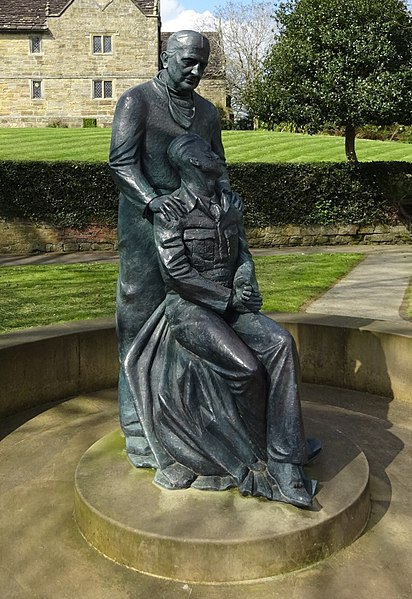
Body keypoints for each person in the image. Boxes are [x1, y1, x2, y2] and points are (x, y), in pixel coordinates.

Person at [124, 133, 318, 508]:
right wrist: (227, 297)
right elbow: (176, 274)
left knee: (281, 344)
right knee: (245, 367)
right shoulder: (173, 211)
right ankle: (263, 447)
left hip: (230, 304)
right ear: (194, 163)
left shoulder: (229, 203)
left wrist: (245, 281)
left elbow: (243, 253)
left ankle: (286, 461)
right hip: (189, 310)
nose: (215, 154)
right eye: (206, 151)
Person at [109, 31, 236, 468]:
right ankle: (135, 423)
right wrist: (151, 199)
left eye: (202, 63)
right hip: (146, 221)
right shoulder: (136, 101)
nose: (197, 71)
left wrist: (227, 204)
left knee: (201, 312)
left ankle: (202, 419)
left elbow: (218, 163)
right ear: (165, 57)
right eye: (188, 61)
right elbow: (121, 162)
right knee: (137, 311)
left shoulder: (207, 112)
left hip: (198, 221)